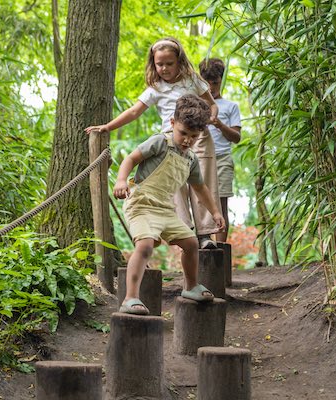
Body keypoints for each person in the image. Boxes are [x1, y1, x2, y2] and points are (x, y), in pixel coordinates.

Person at [85, 37, 222, 250]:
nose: (165, 68)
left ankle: (205, 234)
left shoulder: (192, 80)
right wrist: (108, 127)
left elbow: (211, 105)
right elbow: (134, 111)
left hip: (199, 137)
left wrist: (211, 118)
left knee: (201, 182)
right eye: (160, 64)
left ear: (179, 62)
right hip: (171, 139)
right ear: (153, 64)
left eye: (170, 63)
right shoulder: (155, 88)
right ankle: (186, 232)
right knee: (175, 185)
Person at [112, 94, 225, 315]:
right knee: (144, 246)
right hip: (141, 204)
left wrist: (215, 212)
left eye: (193, 136)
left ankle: (191, 286)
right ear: (172, 123)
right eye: (183, 133)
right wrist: (121, 180)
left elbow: (200, 188)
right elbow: (131, 159)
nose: (187, 140)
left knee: (192, 243)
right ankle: (130, 297)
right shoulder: (159, 142)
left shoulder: (190, 159)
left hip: (165, 208)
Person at [199, 58, 242, 243]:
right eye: (206, 83)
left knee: (221, 203)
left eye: (215, 82)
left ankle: (221, 249)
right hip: (199, 159)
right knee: (200, 203)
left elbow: (236, 138)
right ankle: (204, 244)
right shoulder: (197, 105)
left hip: (222, 158)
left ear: (221, 80)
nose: (211, 87)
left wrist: (219, 124)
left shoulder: (231, 106)